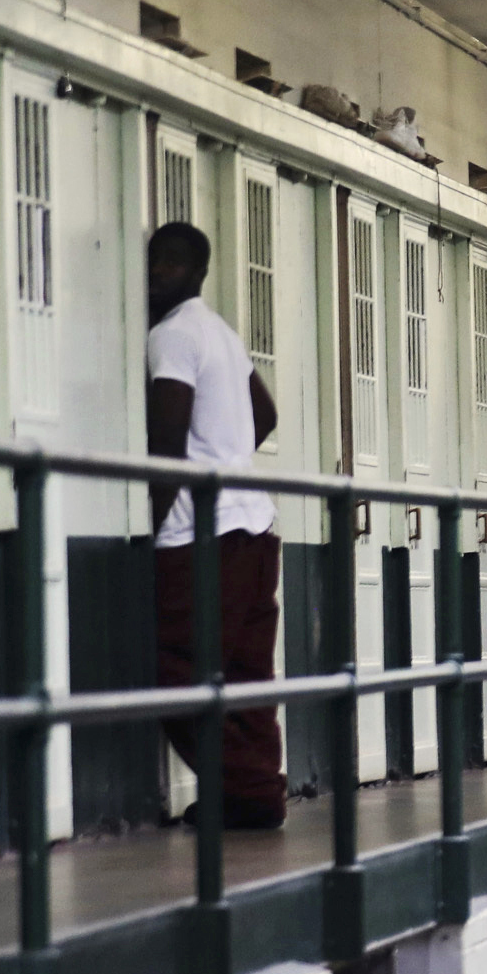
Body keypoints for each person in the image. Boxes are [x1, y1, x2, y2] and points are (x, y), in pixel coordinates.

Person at [145, 223, 286, 830]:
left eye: (171, 266)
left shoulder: (171, 335)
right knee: (247, 674)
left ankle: (248, 790)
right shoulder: (224, 335)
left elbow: (167, 439)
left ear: (197, 272)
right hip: (257, 523)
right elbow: (266, 413)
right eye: (154, 263)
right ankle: (255, 795)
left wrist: (156, 524)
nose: (158, 275)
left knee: (176, 672)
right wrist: (231, 456)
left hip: (203, 534)